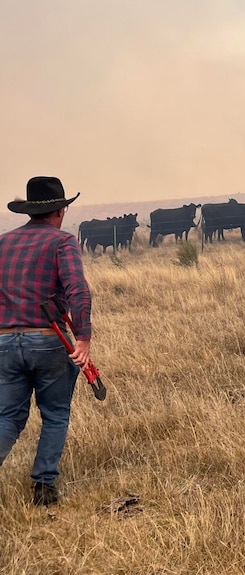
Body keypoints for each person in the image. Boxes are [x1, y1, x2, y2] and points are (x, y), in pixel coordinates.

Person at [0, 176, 92, 506]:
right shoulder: (62, 242)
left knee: (8, 417)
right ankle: (43, 487)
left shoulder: (2, 243)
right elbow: (77, 290)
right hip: (48, 338)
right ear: (61, 210)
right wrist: (82, 338)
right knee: (54, 413)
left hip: (6, 341)